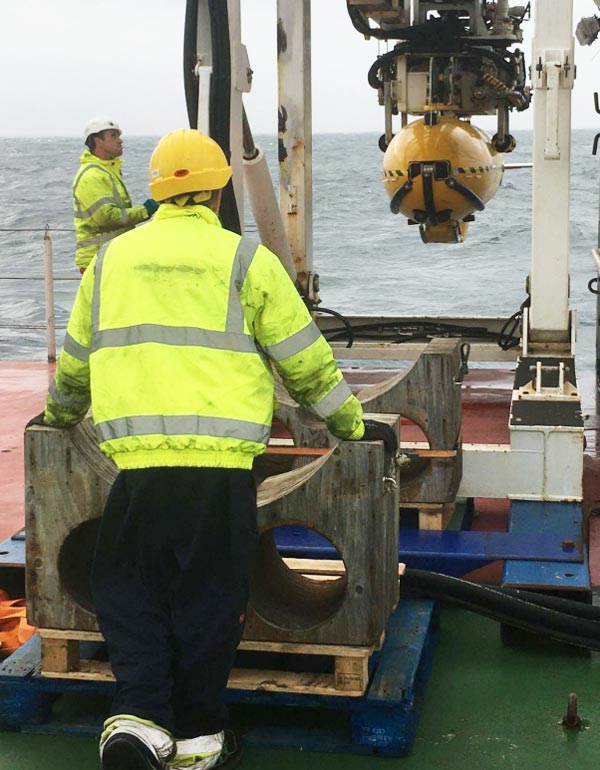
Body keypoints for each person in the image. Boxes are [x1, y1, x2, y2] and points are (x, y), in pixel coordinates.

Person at [29, 129, 397, 770]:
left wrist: (58, 416)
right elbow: (304, 362)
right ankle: (199, 738)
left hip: (137, 467)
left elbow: (78, 363)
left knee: (129, 587)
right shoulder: (245, 261)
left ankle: (141, 719)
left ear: (156, 190)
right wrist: (351, 426)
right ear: (218, 186)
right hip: (222, 469)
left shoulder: (111, 262)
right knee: (209, 596)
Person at [73, 116, 158, 273]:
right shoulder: (92, 176)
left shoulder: (107, 172)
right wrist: (146, 210)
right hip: (97, 259)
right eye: (113, 136)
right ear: (98, 141)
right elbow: (107, 217)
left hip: (110, 256)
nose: (120, 141)